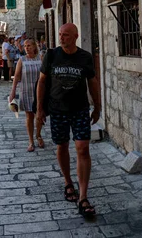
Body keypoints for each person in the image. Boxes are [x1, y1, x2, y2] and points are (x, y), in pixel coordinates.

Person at [36, 23, 101, 218]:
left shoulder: (85, 57)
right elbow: (42, 81)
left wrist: (97, 106)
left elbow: (92, 81)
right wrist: (40, 108)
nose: (61, 38)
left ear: (75, 36)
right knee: (62, 146)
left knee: (83, 147)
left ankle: (83, 197)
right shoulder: (52, 55)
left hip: (80, 109)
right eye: (60, 35)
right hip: (57, 110)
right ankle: (67, 182)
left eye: (65, 35)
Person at [9, 39, 44, 152]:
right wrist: (13, 91)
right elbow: (17, 76)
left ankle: (38, 135)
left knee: (39, 115)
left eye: (29, 45)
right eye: (25, 46)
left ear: (34, 47)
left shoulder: (40, 59)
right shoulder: (22, 60)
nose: (26, 48)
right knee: (29, 116)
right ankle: (31, 140)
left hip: (39, 91)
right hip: (26, 90)